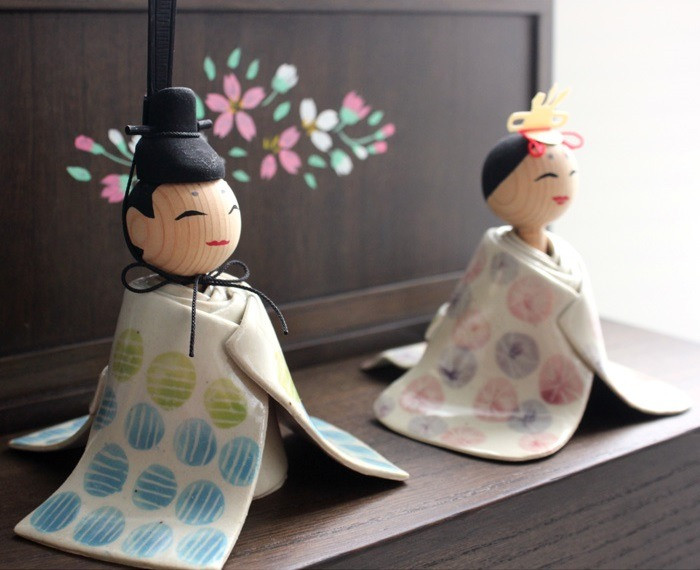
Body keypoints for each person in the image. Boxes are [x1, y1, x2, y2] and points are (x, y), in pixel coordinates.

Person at [14, 86, 406, 570]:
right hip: (158, 478)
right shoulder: (147, 302)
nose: (218, 228)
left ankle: (255, 467)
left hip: (268, 465)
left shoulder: (239, 295)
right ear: (140, 228)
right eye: (194, 217)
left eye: (228, 211)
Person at [372, 86, 690, 461]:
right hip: (497, 365)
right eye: (546, 179)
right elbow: (481, 308)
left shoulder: (567, 256)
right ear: (501, 192)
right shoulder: (497, 251)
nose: (562, 188)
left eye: (569, 175)